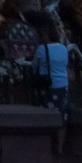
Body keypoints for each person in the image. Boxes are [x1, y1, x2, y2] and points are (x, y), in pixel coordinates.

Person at [32, 24, 69, 154]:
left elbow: (34, 65)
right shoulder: (64, 48)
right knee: (62, 116)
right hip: (62, 85)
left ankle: (46, 144)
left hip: (48, 85)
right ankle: (60, 145)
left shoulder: (42, 49)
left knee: (45, 114)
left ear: (46, 35)